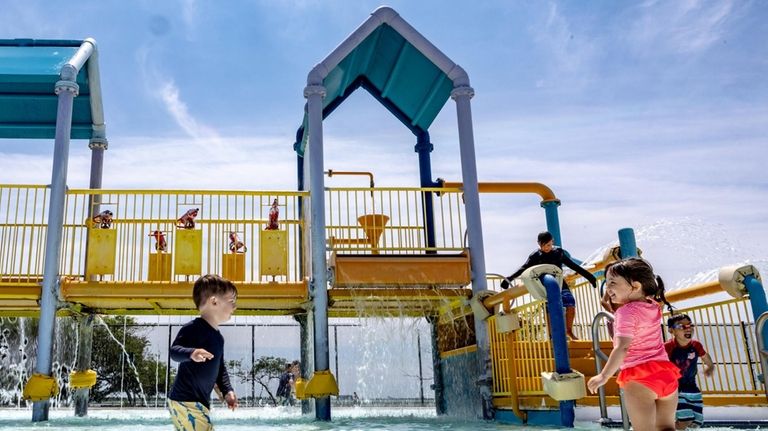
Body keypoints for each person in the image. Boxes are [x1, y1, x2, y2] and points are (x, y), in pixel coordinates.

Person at [587, 258, 681, 431]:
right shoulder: (653, 306)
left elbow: (623, 347)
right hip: (666, 375)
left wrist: (604, 376)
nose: (608, 288)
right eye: (607, 283)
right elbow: (637, 316)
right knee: (667, 428)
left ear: (636, 286)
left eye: (612, 283)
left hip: (640, 379)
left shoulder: (625, 312)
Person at [168, 274, 238, 431]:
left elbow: (220, 368)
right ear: (214, 302)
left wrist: (228, 390)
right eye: (231, 301)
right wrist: (191, 353)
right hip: (185, 400)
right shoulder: (193, 329)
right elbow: (174, 352)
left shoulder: (218, 338)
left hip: (198, 402)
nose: (235, 307)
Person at [500, 231, 598, 339]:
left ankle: (569, 331)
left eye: (548, 245)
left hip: (559, 281)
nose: (546, 248)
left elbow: (573, 266)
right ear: (539, 244)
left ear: (552, 241)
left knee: (570, 304)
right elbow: (523, 268)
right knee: (549, 309)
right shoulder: (535, 255)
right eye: (543, 245)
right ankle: (552, 335)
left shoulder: (558, 252)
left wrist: (590, 277)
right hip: (545, 285)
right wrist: (509, 278)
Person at [665, 314, 715, 429]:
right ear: (672, 330)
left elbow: (705, 356)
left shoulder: (696, 345)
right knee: (685, 421)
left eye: (690, 325)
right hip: (676, 388)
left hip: (692, 387)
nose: (688, 328)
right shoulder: (668, 347)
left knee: (696, 422)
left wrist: (711, 366)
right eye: (681, 326)